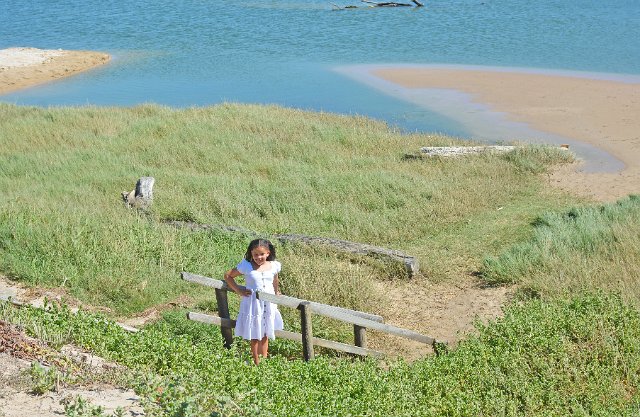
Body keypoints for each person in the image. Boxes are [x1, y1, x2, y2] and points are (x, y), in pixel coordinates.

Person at [223, 238, 284, 365]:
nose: (258, 257)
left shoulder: (273, 265)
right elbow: (228, 276)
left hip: (268, 303)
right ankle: (256, 362)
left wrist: (276, 292)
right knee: (255, 334)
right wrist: (238, 290)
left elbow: (275, 280)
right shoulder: (246, 266)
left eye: (262, 254)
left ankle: (263, 362)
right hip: (253, 304)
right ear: (251, 253)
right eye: (255, 254)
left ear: (267, 253)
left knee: (265, 332)